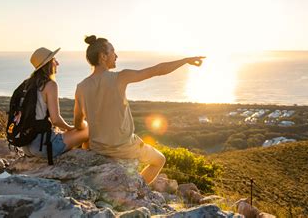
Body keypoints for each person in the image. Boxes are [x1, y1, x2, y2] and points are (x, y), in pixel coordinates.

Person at [74, 35, 205, 184]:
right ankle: (137, 187)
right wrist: (186, 60)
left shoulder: (81, 87)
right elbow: (157, 70)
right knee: (159, 160)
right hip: (124, 147)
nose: (116, 56)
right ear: (103, 56)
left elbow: (78, 123)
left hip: (97, 148)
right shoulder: (120, 77)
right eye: (113, 51)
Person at [21, 47, 89, 160]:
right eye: (54, 60)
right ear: (48, 64)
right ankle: (89, 159)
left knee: (68, 132)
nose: (57, 63)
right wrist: (70, 128)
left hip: (26, 145)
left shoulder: (27, 84)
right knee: (88, 129)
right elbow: (56, 120)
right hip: (43, 146)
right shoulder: (50, 85)